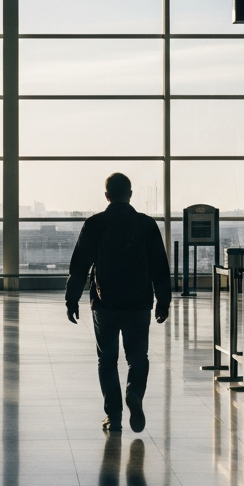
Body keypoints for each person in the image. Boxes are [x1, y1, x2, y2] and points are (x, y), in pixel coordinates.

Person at [65, 173, 171, 433]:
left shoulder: (95, 224)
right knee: (138, 357)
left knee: (107, 359)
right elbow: (159, 267)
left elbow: (79, 266)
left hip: (105, 303)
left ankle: (114, 416)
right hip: (139, 302)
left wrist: (72, 299)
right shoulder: (146, 224)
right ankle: (134, 393)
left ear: (107, 196)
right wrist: (163, 300)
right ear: (130, 194)